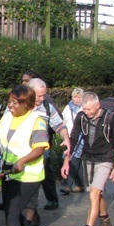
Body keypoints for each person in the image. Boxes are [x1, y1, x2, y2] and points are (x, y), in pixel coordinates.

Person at [61, 92, 114, 226]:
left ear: (98, 106)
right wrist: (66, 162)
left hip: (105, 159)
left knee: (93, 193)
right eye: (84, 108)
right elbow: (73, 140)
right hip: (88, 159)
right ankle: (105, 221)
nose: (86, 112)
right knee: (98, 193)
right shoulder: (81, 117)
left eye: (89, 109)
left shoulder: (110, 118)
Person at [0, 85, 49, 226]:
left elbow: (40, 148)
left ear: (26, 104)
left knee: (12, 211)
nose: (10, 105)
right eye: (9, 101)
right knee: (10, 211)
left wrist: (23, 161)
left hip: (29, 175)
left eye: (15, 102)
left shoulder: (37, 121)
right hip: (9, 172)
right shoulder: (7, 117)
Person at [26, 78, 70, 211]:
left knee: (37, 181)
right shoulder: (19, 105)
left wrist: (66, 138)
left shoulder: (47, 107)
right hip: (22, 152)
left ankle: (35, 212)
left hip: (41, 151)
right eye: (39, 95)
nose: (42, 98)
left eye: (44, 95)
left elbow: (59, 125)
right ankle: (30, 213)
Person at [61, 88, 85, 194]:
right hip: (70, 137)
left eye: (79, 97)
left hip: (81, 139)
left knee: (73, 159)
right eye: (75, 96)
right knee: (75, 160)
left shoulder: (85, 108)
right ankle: (80, 184)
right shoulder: (67, 108)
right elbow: (63, 122)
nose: (77, 99)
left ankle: (67, 185)